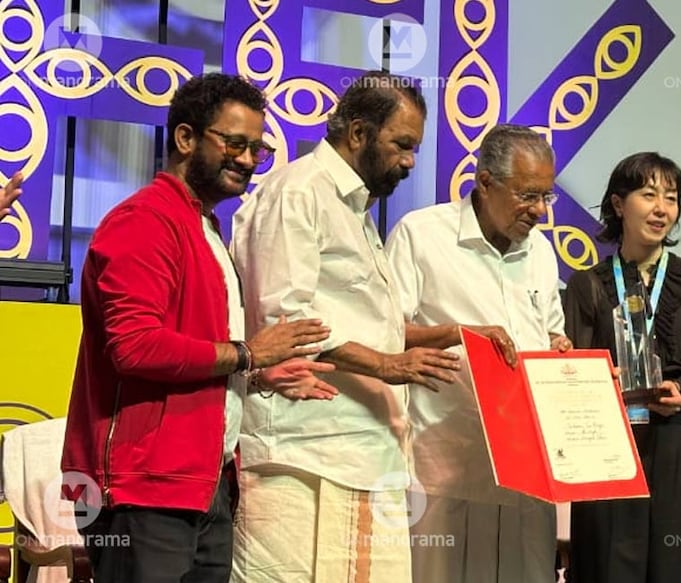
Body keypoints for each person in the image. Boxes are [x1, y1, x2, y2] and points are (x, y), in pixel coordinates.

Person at [61, 72, 335, 583]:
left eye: (258, 149)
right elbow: (136, 350)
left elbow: (197, 349)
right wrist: (248, 355)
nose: (249, 160)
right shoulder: (143, 221)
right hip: (142, 488)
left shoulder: (204, 227)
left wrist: (251, 378)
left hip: (203, 482)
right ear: (185, 138)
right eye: (235, 143)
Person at [229, 70, 461, 583]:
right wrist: (384, 364)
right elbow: (285, 319)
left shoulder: (354, 207)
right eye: (402, 144)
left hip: (364, 450)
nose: (410, 162)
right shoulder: (299, 191)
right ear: (358, 132)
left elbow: (368, 325)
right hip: (302, 454)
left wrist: (449, 335)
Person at [384, 124, 572, 583]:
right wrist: (457, 335)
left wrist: (558, 348)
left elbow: (551, 332)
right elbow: (384, 333)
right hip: (445, 467)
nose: (540, 212)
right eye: (529, 196)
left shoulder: (542, 252)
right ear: (485, 182)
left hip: (527, 470)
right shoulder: (422, 235)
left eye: (547, 197)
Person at [561, 151, 681, 583]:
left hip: (679, 448)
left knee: (679, 569)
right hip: (611, 448)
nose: (661, 208)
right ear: (618, 204)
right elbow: (574, 378)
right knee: (606, 570)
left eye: (671, 198)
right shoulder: (587, 285)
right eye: (648, 195)